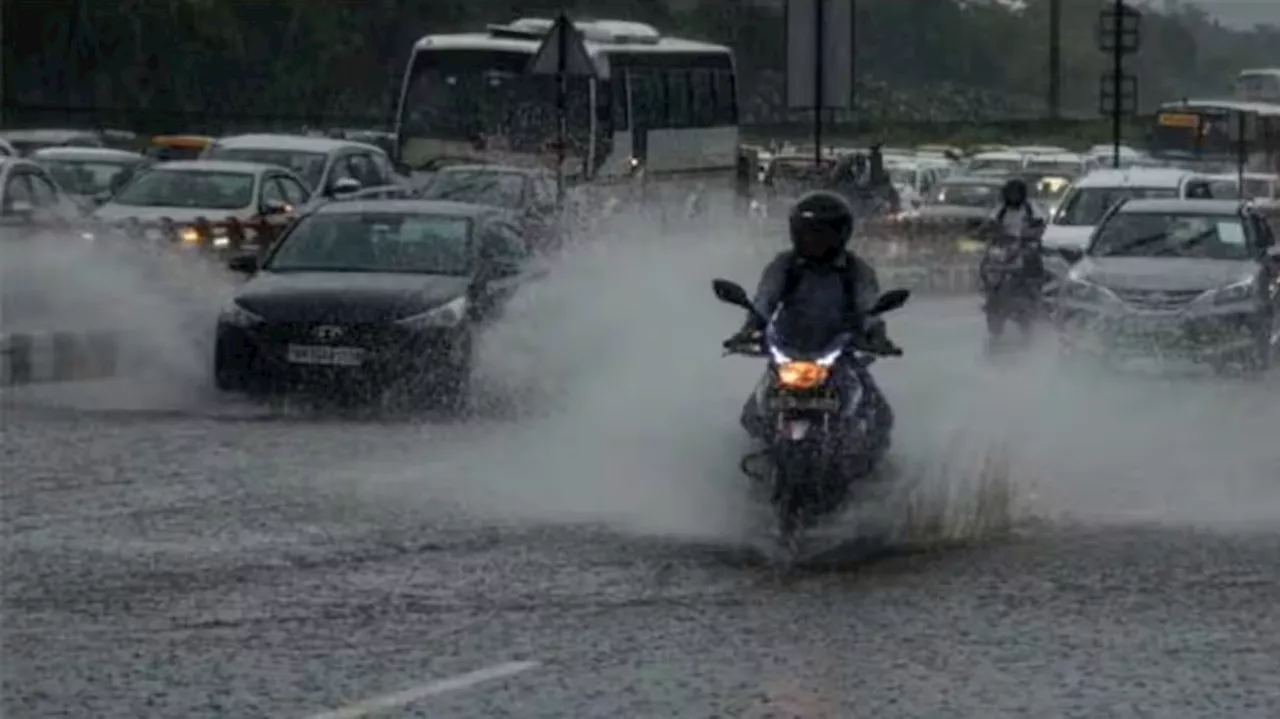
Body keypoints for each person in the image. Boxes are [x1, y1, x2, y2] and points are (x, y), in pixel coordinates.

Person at [724, 191, 901, 438]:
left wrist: (876, 335)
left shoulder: (855, 271)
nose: (813, 240)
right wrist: (749, 329)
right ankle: (766, 443)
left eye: (822, 233)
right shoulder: (784, 267)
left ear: (841, 234)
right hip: (790, 347)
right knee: (752, 415)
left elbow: (868, 306)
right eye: (808, 232)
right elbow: (765, 300)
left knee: (880, 416)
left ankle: (866, 449)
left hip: (839, 350)